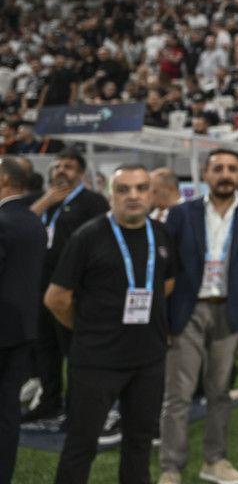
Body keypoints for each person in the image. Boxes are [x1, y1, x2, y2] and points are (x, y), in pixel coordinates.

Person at [44, 164, 175, 484]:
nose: (133, 196)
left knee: (140, 443)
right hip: (97, 361)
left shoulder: (161, 233)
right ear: (110, 195)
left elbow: (167, 284)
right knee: (81, 445)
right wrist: (86, 328)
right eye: (123, 189)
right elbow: (56, 298)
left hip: (148, 360)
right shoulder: (88, 236)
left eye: (141, 188)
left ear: (151, 194)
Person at [158, 150, 238, 484]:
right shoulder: (181, 213)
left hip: (229, 311)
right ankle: (171, 467)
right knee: (178, 394)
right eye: (218, 168)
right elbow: (164, 267)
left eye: (232, 169)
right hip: (187, 311)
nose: (225, 174)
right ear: (205, 175)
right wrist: (162, 316)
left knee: (219, 392)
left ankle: (214, 460)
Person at [24, 149, 110, 425]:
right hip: (39, 287)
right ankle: (49, 402)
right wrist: (45, 202)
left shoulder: (93, 202)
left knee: (74, 351)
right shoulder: (41, 200)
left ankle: (77, 407)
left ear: (81, 173)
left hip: (73, 290)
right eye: (57, 166)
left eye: (68, 166)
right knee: (45, 348)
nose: (61, 170)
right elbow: (19, 230)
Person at [0, 157, 46, 484]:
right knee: (7, 410)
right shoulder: (33, 221)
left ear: (4, 179)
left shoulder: (4, 220)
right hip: (23, 329)